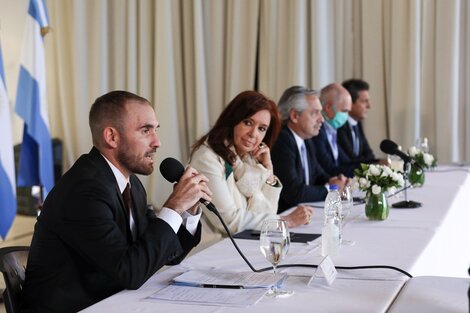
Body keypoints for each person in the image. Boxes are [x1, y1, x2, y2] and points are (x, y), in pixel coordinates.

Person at [21, 91, 212, 313]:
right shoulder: (84, 189)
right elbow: (130, 272)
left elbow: (164, 254)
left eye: (155, 130)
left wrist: (187, 211)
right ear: (112, 137)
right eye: (145, 130)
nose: (157, 142)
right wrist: (173, 207)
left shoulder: (131, 185)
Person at [189, 90, 313, 248]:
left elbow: (268, 213)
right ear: (233, 120)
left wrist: (269, 171)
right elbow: (229, 221)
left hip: (243, 244)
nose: (253, 134)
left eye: (262, 129)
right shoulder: (207, 158)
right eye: (247, 122)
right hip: (212, 249)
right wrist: (285, 221)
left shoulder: (248, 158)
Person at [271, 86, 347, 213]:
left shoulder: (306, 139)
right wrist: (332, 189)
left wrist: (335, 181)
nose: (322, 119)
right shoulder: (282, 141)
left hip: (303, 213)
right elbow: (294, 193)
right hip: (284, 219)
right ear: (295, 115)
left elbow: (318, 175)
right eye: (315, 113)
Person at [312, 83, 357, 177]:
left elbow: (347, 162)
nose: (347, 116)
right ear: (328, 107)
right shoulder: (316, 133)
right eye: (344, 111)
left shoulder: (333, 130)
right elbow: (330, 169)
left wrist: (374, 166)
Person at [338, 79, 387, 165]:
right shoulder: (339, 125)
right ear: (349, 102)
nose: (369, 106)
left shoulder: (357, 122)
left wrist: (377, 162)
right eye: (365, 101)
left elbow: (368, 154)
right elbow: (350, 159)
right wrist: (377, 163)